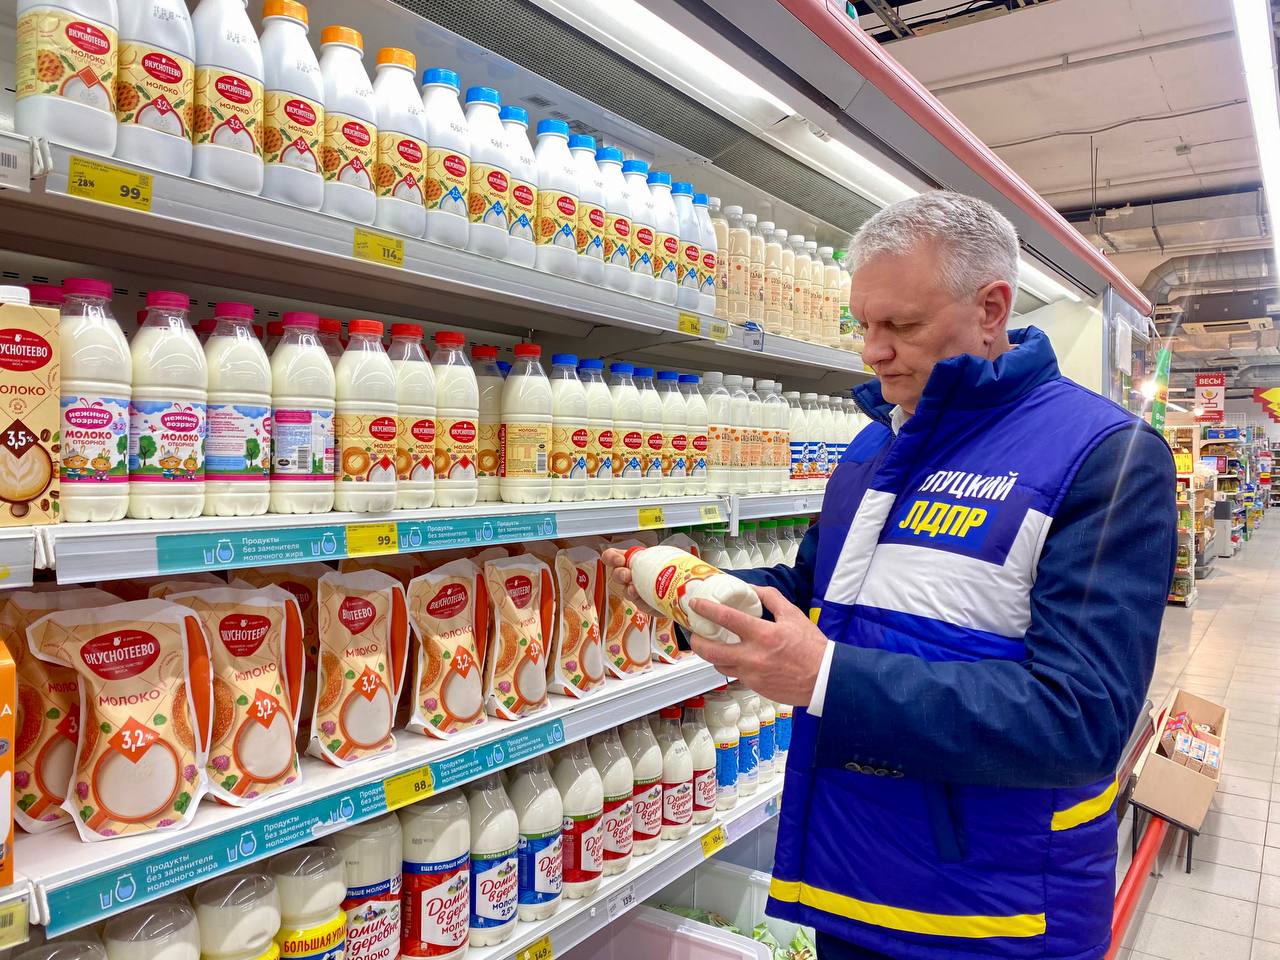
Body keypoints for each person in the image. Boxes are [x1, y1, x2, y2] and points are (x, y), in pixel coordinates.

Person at [605, 191, 1176, 960]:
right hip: (848, 884)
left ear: (991, 309)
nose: (872, 352)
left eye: (901, 326)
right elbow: (812, 595)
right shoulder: (874, 449)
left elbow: (1083, 718)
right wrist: (689, 593)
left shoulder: (1104, 457)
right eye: (863, 325)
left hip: (995, 918)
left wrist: (825, 677)